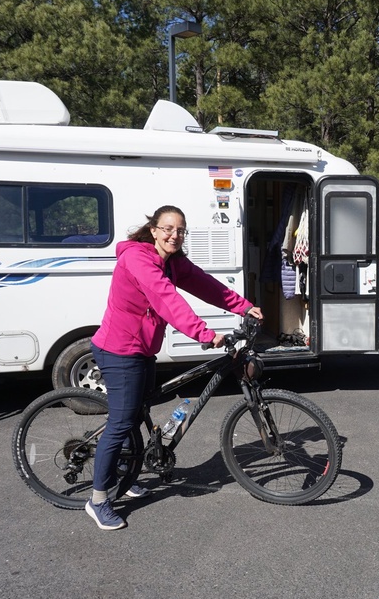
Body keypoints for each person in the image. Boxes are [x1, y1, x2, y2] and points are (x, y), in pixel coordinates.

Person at [85, 205, 263, 530]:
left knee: (138, 412)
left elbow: (208, 286)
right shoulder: (138, 259)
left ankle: (125, 476)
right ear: (153, 229)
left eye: (180, 230)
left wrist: (245, 306)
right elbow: (167, 300)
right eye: (168, 228)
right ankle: (98, 499)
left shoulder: (174, 262)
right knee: (122, 421)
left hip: (143, 350)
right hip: (119, 350)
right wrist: (206, 335)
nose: (174, 235)